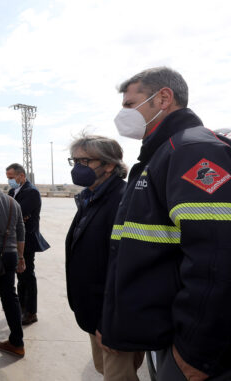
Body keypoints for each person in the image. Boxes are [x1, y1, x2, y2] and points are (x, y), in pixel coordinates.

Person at [101, 67, 231, 381]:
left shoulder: (193, 150)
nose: (123, 114)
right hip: (165, 330)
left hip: (192, 347)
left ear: (163, 98)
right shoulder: (162, 153)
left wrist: (196, 353)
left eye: (130, 104)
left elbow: (216, 257)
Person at [65, 134, 144, 380]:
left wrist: (110, 322)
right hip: (96, 313)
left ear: (109, 164)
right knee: (103, 369)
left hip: (113, 318)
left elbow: (127, 269)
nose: (78, 167)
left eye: (85, 161)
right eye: (74, 161)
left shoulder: (123, 200)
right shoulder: (91, 197)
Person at [5, 163, 49, 325]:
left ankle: (31, 312)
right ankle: (22, 306)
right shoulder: (12, 191)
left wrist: (16, 217)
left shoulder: (31, 192)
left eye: (11, 178)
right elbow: (13, 215)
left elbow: (17, 214)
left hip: (28, 239)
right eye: (8, 178)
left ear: (21, 176)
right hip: (15, 238)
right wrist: (17, 218)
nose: (9, 181)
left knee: (28, 275)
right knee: (20, 275)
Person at [0, 165, 27, 357]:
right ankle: (17, 342)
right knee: (10, 297)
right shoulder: (13, 203)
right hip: (11, 254)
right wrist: (21, 258)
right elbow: (20, 233)